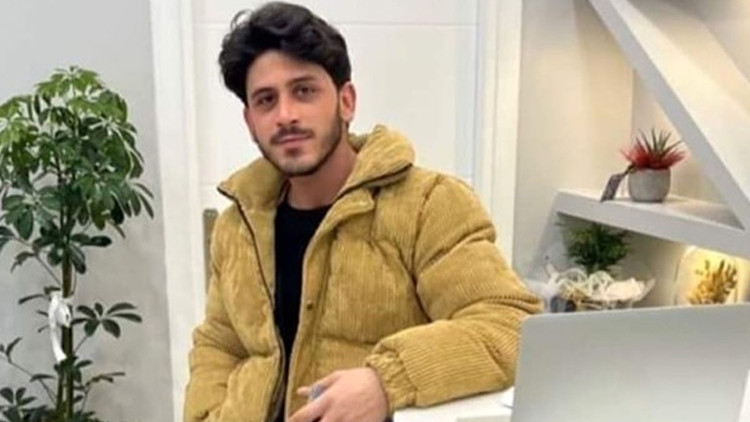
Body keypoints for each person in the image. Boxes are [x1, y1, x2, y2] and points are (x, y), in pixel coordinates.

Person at [183, 2, 541, 422]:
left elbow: (510, 325)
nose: (286, 115)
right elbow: (219, 345)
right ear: (250, 122)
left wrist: (387, 381)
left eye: (304, 91)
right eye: (266, 100)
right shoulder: (237, 226)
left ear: (346, 101)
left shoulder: (429, 205)